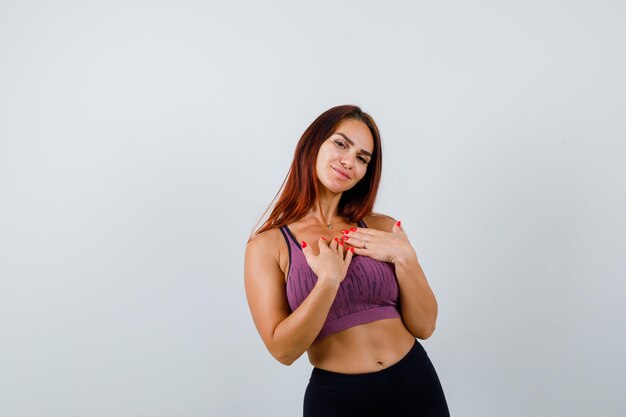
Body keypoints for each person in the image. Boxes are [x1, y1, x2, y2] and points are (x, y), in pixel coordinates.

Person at [244, 105, 450, 417]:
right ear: (313, 144)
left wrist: (406, 258)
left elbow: (425, 326)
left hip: (415, 384)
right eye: (341, 144)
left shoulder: (380, 228)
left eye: (362, 158)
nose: (348, 162)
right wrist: (327, 282)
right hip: (339, 401)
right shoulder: (268, 245)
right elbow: (283, 351)